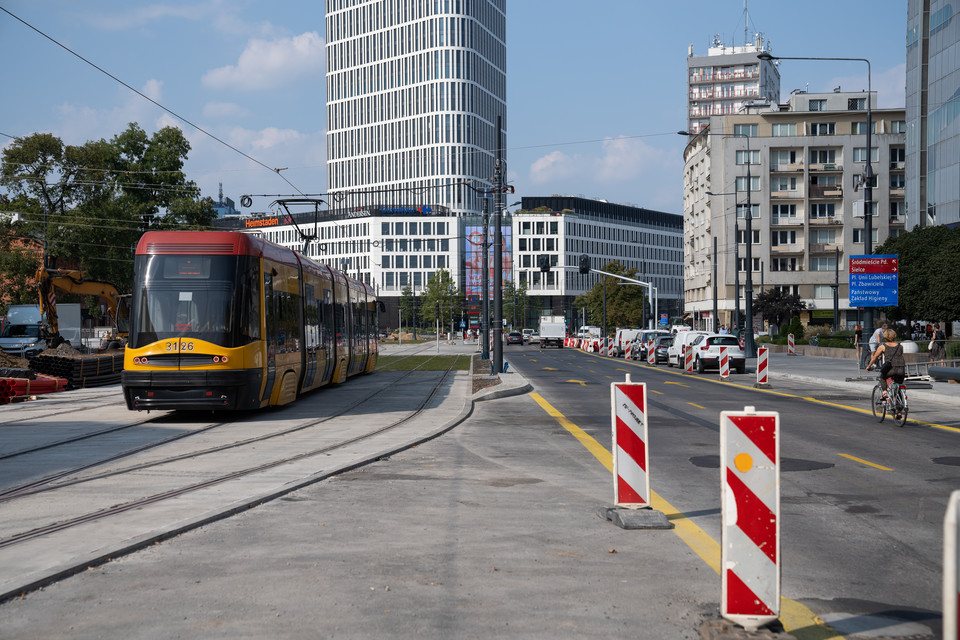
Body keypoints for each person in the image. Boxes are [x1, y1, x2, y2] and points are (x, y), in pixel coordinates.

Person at [866, 329, 906, 411]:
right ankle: (899, 411)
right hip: (901, 369)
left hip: (891, 369)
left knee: (882, 377)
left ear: (885, 337)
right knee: (898, 388)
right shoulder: (900, 346)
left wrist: (869, 366)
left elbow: (874, 357)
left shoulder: (883, 346)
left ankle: (884, 393)